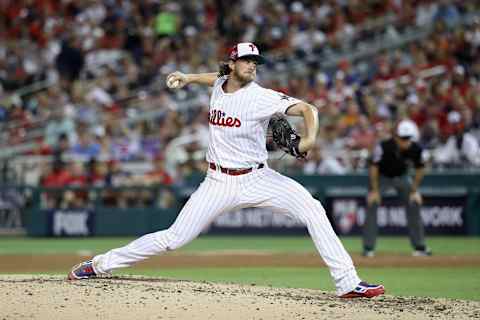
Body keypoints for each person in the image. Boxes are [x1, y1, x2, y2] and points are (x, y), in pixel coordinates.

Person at [68, 42, 384, 298]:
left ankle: (347, 282)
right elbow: (216, 78)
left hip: (258, 177)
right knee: (173, 239)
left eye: (255, 62)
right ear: (232, 64)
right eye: (246, 61)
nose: (251, 66)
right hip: (217, 181)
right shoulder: (221, 83)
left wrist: (311, 137)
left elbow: (307, 109)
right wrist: (190, 77)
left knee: (313, 210)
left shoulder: (261, 97)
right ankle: (98, 265)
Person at [363, 119, 431, 257]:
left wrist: (414, 191)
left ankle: (419, 246)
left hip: (402, 177)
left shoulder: (416, 148)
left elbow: (420, 170)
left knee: (414, 203)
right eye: (403, 138)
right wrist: (375, 191)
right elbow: (374, 168)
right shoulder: (384, 146)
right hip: (382, 177)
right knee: (372, 203)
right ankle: (368, 247)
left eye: (408, 138)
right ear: (396, 137)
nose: (406, 141)